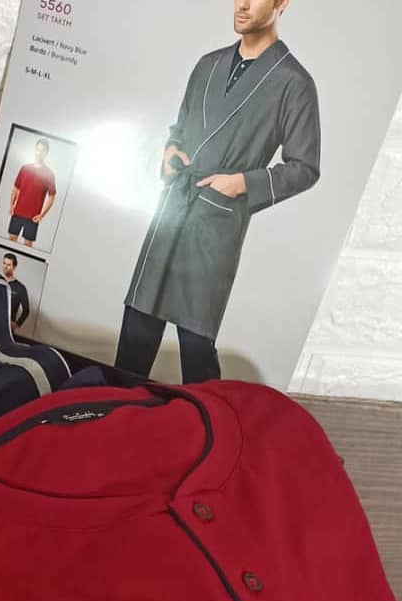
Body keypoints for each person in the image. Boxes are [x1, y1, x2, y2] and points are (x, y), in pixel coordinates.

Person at [116, 0, 320, 383]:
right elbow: (180, 128)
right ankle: (113, 409)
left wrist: (242, 183)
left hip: (217, 220)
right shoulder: (207, 65)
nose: (241, 3)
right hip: (173, 208)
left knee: (196, 347)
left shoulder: (294, 83)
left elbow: (304, 167)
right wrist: (170, 153)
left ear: (281, 3)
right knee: (136, 330)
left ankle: (211, 416)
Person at [8, 139, 57, 249]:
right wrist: (11, 205)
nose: (39, 153)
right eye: (38, 149)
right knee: (11, 240)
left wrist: (42, 215)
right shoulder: (25, 168)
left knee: (28, 245)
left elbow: (52, 196)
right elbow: (15, 188)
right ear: (35, 150)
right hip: (18, 212)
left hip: (33, 217)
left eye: (43, 150)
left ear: (46, 153)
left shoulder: (49, 174)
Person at [2, 252, 31, 329]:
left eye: (8, 265)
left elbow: (26, 310)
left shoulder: (21, 288)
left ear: (14, 267)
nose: (5, 267)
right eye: (4, 263)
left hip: (7, 329)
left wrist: (17, 324)